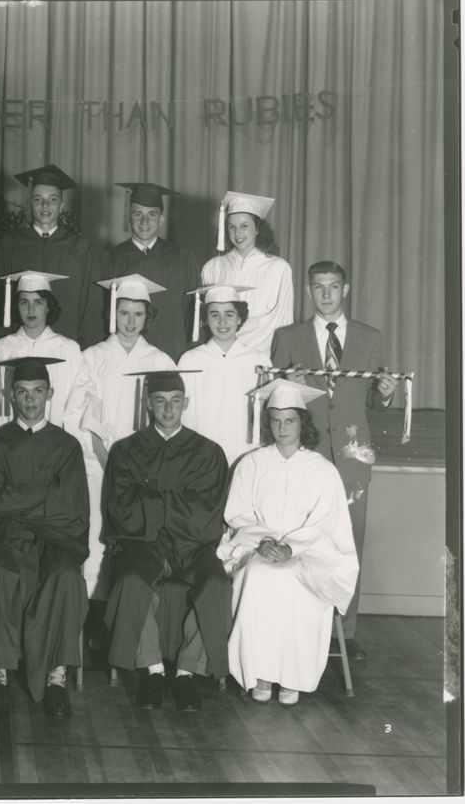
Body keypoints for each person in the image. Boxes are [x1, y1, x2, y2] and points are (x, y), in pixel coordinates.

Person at [270, 260, 397, 661]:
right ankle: (299, 624)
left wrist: (387, 392)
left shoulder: (369, 337)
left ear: (346, 289)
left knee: (347, 544)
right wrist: (294, 385)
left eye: (334, 286)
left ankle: (345, 631)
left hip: (353, 457)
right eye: (319, 286)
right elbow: (275, 397)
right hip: (304, 454)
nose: (326, 293)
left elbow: (376, 398)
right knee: (301, 536)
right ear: (309, 290)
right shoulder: (287, 336)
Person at [217, 379, 359, 705]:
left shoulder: (321, 470)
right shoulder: (251, 464)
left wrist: (290, 547)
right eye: (275, 420)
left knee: (295, 581)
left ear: (302, 423)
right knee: (259, 576)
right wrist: (264, 541)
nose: (282, 428)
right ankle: (261, 674)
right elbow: (238, 514)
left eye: (290, 420)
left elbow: (327, 522)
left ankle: (293, 676)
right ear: (267, 424)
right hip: (258, 548)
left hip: (311, 553)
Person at [0, 358, 89, 719]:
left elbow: (70, 508)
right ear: (10, 395)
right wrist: (43, 494)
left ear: (50, 394)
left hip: (56, 540)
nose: (30, 400)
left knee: (66, 578)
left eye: (37, 392)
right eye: (21, 392)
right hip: (4, 539)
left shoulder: (67, 445)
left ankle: (56, 678)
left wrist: (15, 499)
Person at [101, 371, 231, 712]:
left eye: (175, 401)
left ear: (185, 403)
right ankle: (154, 671)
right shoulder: (126, 450)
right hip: (143, 542)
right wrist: (175, 499)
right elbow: (120, 507)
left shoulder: (208, 452)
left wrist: (153, 497)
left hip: (192, 545)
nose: (168, 409)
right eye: (160, 401)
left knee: (216, 583)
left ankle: (186, 672)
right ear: (148, 404)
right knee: (130, 580)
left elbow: (208, 512)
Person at [64, 274, 175, 602]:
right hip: (99, 466)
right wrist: (102, 454)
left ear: (148, 317)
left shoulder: (160, 361)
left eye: (138, 314)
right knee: (99, 540)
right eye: (124, 313)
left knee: (140, 544)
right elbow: (75, 415)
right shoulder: (93, 357)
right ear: (113, 313)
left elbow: (170, 419)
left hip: (147, 473)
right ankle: (96, 614)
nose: (130, 321)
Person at [0, 165, 106, 348]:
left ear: (61, 206)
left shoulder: (82, 250)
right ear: (30, 203)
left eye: (52, 200)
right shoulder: (8, 246)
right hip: (20, 347)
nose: (45, 206)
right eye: (38, 200)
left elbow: (90, 309)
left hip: (67, 347)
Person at [177, 284, 271, 466]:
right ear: (205, 319)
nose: (222, 322)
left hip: (246, 455)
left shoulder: (259, 361)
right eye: (214, 315)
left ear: (239, 318)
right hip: (200, 457)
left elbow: (266, 415)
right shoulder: (190, 360)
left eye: (229, 314)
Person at [105, 182, 201, 360]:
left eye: (152, 215)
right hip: (124, 356)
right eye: (137, 214)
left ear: (162, 218)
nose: (144, 221)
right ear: (129, 216)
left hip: (171, 355)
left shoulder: (183, 259)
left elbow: (192, 317)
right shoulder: (112, 258)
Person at [0, 270, 83, 430]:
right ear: (16, 306)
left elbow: (76, 406)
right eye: (24, 302)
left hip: (56, 443)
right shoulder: (1, 349)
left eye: (38, 302)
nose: (31, 310)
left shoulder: (68, 350)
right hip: (9, 444)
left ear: (48, 307)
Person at [201, 191, 293, 354]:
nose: (238, 233)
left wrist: (237, 345)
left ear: (257, 229)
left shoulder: (278, 268)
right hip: (219, 355)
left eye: (244, 226)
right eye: (232, 227)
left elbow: (280, 322)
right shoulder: (213, 268)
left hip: (260, 357)